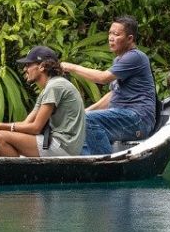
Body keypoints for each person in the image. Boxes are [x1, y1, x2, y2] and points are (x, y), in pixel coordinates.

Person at [61, 15, 157, 155]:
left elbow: (103, 78)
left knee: (86, 120)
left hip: (138, 119)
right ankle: (85, 163)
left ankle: (104, 163)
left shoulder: (135, 57)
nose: (111, 37)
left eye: (116, 34)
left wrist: (72, 67)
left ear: (130, 39)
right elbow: (112, 95)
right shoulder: (119, 60)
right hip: (122, 116)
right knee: (80, 121)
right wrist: (86, 110)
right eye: (110, 33)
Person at [0, 46, 85, 157]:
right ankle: (0, 174)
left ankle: (18, 173)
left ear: (42, 66)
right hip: (53, 142)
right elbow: (26, 124)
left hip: (64, 146)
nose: (25, 69)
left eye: (28, 65)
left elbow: (35, 128)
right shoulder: (47, 90)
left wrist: (0, 127)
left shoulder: (55, 86)